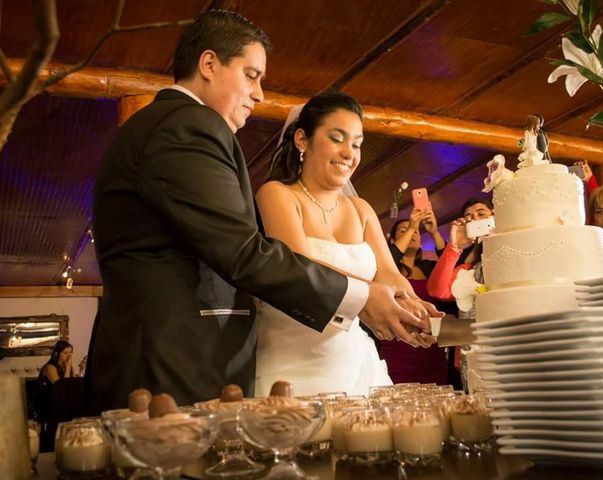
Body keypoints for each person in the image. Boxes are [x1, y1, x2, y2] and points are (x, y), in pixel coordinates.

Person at [85, 10, 433, 414]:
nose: (260, 94)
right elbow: (242, 252)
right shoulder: (187, 126)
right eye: (251, 75)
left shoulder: (174, 124)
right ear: (210, 64)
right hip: (164, 359)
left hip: (179, 353)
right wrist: (359, 297)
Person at [254, 91, 440, 396]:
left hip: (355, 363)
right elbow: (298, 264)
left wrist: (415, 308)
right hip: (292, 364)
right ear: (302, 140)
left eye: (356, 144)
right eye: (337, 138)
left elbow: (388, 274)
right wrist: (370, 295)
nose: (349, 153)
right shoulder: (278, 194)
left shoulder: (361, 209)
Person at [379, 209, 455, 385]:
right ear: (392, 241)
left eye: (414, 231)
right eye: (403, 230)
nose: (411, 233)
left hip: (430, 349)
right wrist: (414, 225)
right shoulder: (387, 271)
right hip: (398, 346)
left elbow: (449, 262)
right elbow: (388, 258)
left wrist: (434, 232)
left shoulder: (429, 268)